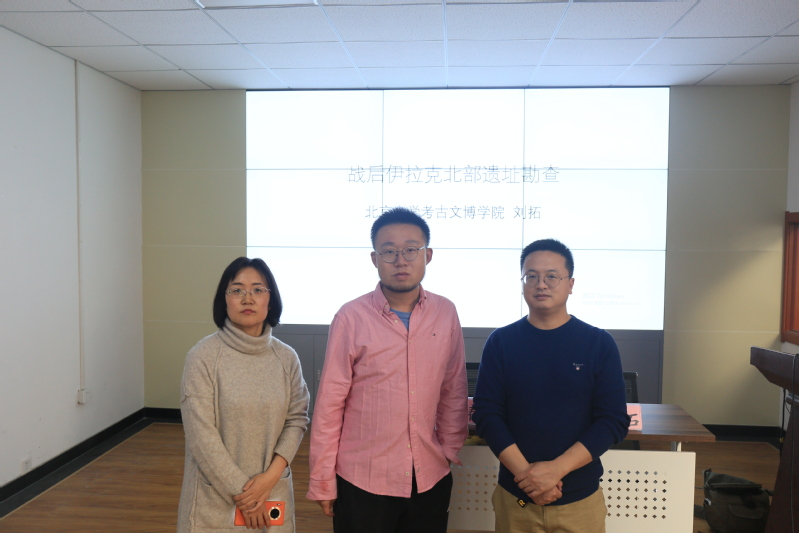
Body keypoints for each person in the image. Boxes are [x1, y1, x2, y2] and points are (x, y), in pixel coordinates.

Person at [307, 207, 468, 533]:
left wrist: (449, 448)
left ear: (428, 255)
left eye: (411, 250)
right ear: (374, 259)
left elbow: (453, 388)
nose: (401, 261)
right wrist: (322, 478)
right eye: (389, 252)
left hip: (429, 475)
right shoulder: (351, 317)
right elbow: (329, 405)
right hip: (363, 478)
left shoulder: (445, 312)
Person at [472, 238, 630, 533]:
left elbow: (612, 420)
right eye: (531, 276)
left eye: (551, 276)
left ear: (570, 284)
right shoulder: (501, 342)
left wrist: (556, 470)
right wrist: (529, 479)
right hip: (518, 498)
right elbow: (487, 415)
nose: (540, 284)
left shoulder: (598, 343)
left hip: (580, 500)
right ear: (522, 284)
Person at [177, 257, 310, 532]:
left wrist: (269, 479)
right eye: (237, 290)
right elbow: (202, 437)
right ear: (224, 300)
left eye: (257, 289)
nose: (247, 298)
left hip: (272, 490)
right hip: (216, 499)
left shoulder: (286, 358)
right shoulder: (203, 357)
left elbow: (297, 419)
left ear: (270, 300)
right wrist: (246, 495)